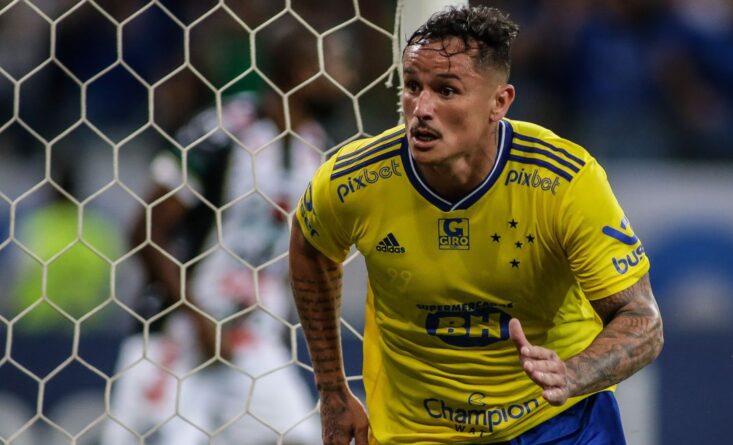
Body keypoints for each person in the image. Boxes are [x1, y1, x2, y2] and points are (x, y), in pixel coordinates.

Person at [289, 5, 663, 444]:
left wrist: (573, 373)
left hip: (555, 421)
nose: (421, 109)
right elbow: (310, 249)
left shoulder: (563, 182)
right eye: (412, 86)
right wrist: (332, 391)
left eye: (446, 91)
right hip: (420, 431)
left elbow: (642, 320)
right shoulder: (355, 180)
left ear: (499, 103)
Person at [100, 25, 342, 445]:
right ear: (301, 68)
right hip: (177, 336)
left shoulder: (318, 150)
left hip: (251, 342)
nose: (348, 76)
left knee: (304, 436)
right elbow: (146, 230)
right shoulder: (224, 130)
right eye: (337, 63)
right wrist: (198, 320)